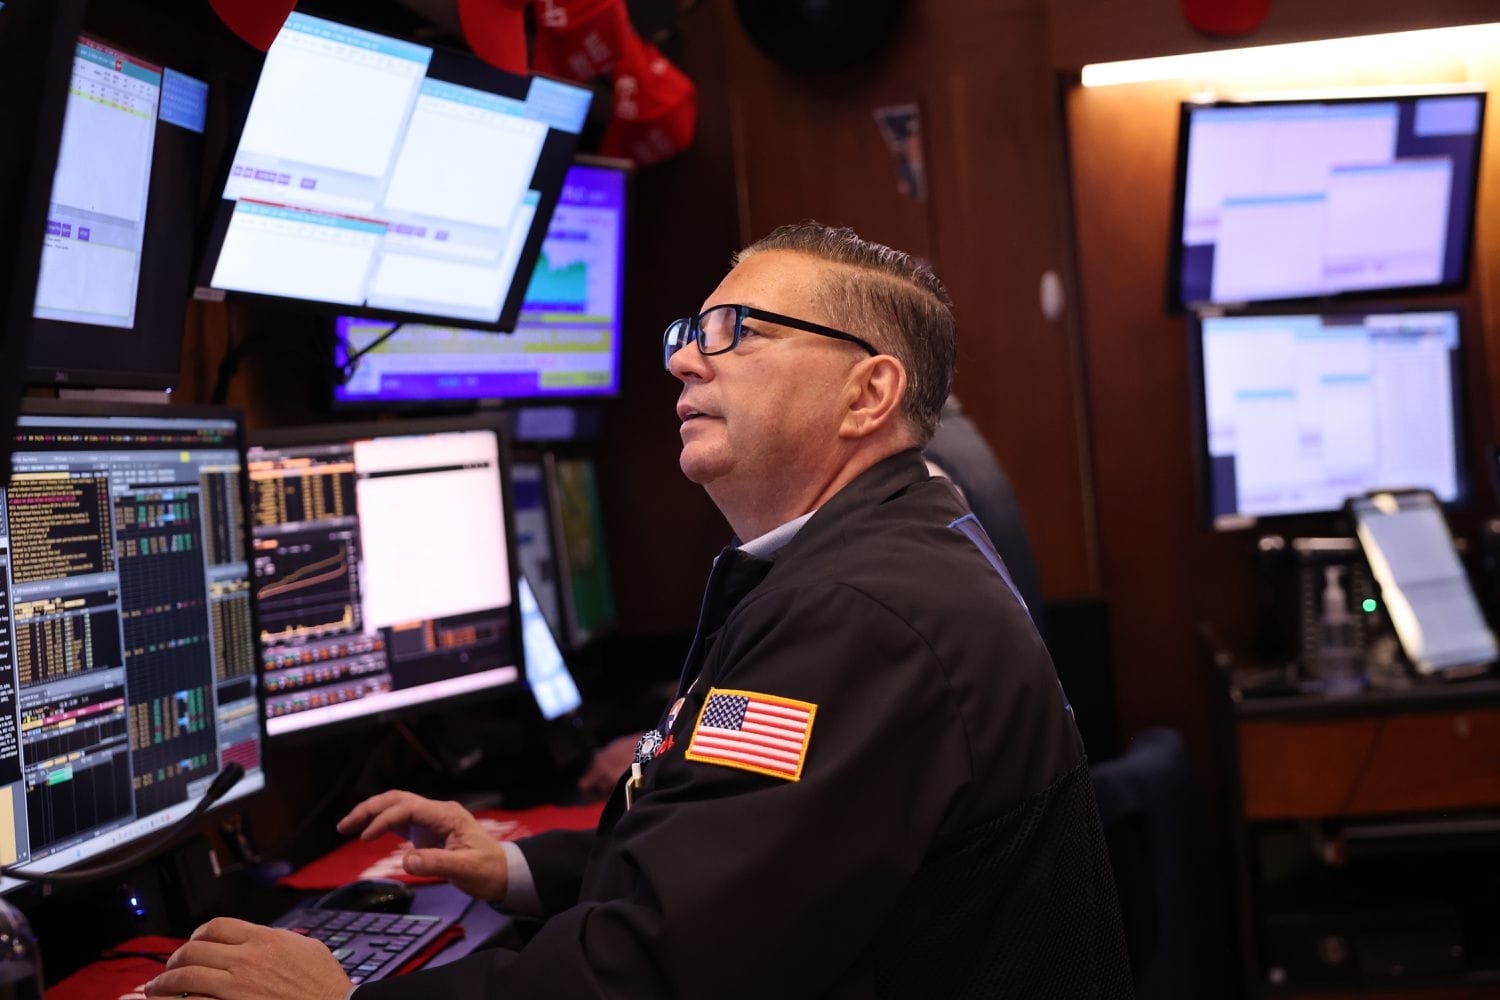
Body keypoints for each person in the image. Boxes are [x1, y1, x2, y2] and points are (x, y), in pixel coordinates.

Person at [146, 223, 1131, 999]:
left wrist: (341, 998)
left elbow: (658, 973)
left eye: (734, 333)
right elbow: (730, 851)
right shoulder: (880, 546)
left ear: (867, 392)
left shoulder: (864, 609)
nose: (684, 363)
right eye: (687, 335)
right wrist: (523, 869)